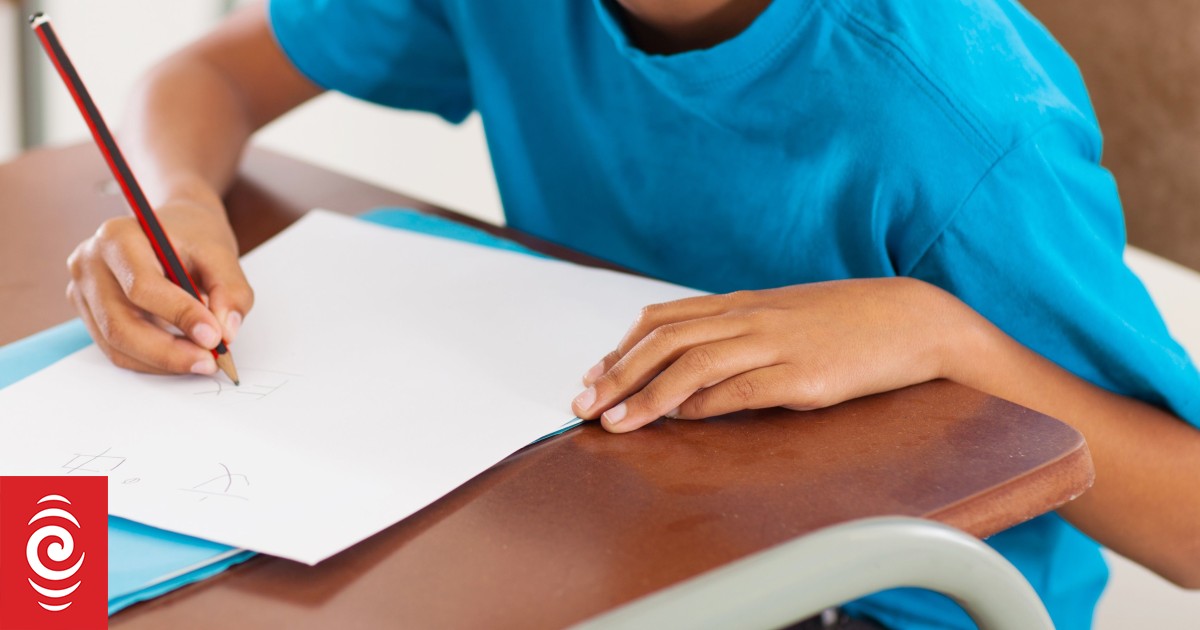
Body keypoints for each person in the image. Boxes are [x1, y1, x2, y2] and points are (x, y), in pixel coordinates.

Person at [64, 0, 1200, 627]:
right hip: (596, 530)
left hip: (888, 605)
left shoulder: (952, 114)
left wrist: (940, 335)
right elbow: (203, 79)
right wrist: (173, 204)